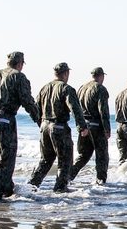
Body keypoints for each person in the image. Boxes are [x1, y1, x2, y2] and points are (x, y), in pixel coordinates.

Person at [0, 51, 41, 202]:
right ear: (20, 64)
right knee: (7, 160)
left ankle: (7, 189)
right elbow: (27, 101)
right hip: (5, 119)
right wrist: (39, 120)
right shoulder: (18, 77)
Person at [29, 62, 88, 192]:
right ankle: (60, 189)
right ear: (66, 73)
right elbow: (75, 109)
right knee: (65, 160)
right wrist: (82, 127)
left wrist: (40, 123)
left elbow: (35, 108)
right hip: (59, 127)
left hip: (44, 126)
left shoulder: (44, 88)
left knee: (45, 160)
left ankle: (31, 186)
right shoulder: (66, 89)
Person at [71, 67, 111, 184]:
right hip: (96, 126)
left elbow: (76, 109)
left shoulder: (82, 88)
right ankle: (101, 181)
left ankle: (67, 176)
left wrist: (80, 126)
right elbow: (103, 110)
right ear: (101, 76)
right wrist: (107, 129)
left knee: (83, 155)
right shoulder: (100, 89)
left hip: (84, 125)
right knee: (102, 156)